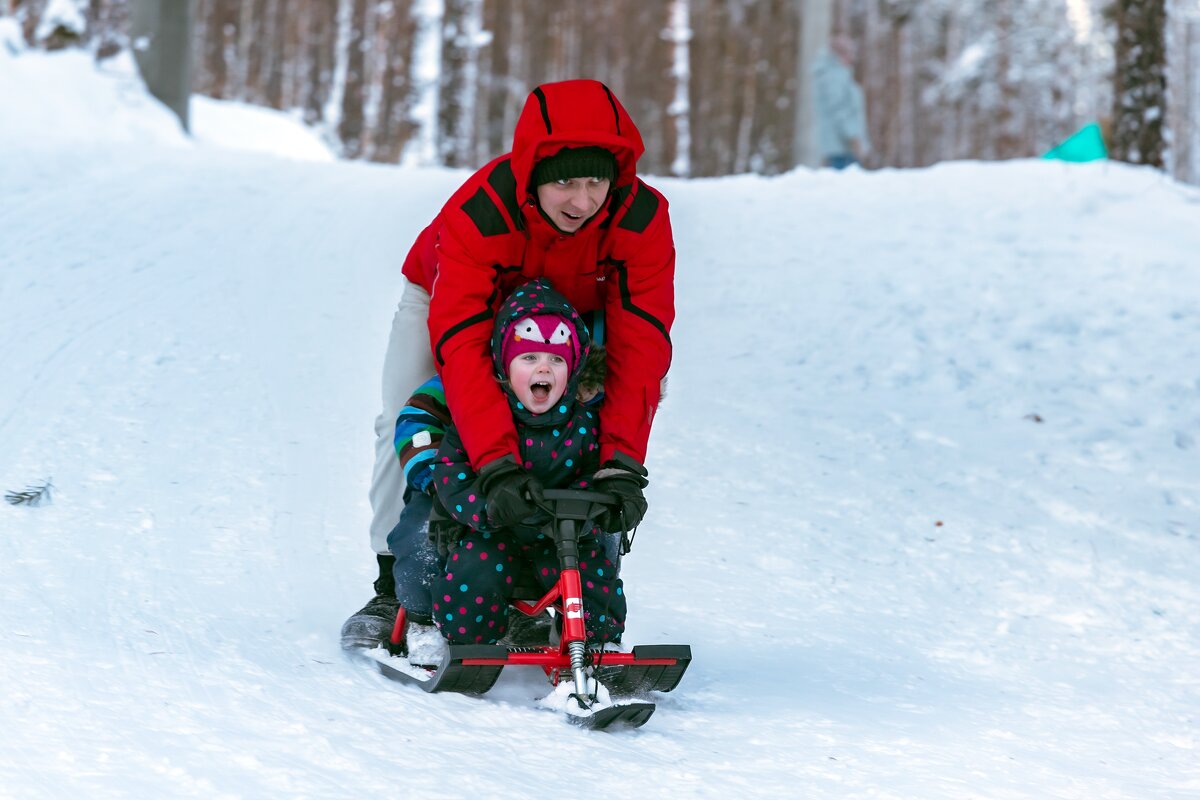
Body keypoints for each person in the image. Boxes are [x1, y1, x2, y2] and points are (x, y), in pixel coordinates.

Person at [340, 79, 674, 649]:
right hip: (453, 300)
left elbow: (641, 350)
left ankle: (551, 583)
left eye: (596, 182)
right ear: (534, 174)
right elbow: (462, 346)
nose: (581, 201)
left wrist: (621, 465)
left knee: (579, 421)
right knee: (410, 414)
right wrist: (495, 464)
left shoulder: (641, 219)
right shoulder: (483, 211)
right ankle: (394, 583)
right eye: (565, 181)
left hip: (570, 317)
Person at [430, 279, 625, 646]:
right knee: (474, 571)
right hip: (492, 533)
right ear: (506, 364)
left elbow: (594, 474)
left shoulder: (584, 426)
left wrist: (587, 502)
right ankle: (470, 642)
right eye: (530, 358)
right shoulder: (481, 419)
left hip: (560, 537)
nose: (544, 369)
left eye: (556, 359)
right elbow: (451, 475)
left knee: (593, 577)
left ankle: (594, 643)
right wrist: (487, 508)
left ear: (574, 369)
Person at [812, 34, 871, 169]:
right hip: (842, 147)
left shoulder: (836, 73)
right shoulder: (834, 76)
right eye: (849, 53)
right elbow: (839, 110)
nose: (852, 57)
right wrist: (853, 137)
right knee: (847, 186)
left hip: (840, 145)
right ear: (838, 54)